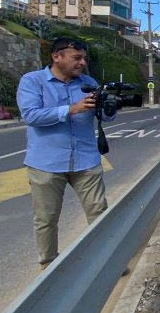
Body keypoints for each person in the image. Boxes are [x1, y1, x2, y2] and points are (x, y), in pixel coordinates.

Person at [16, 38, 114, 270]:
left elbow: (104, 118)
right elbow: (31, 116)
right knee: (46, 219)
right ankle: (48, 265)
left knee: (99, 211)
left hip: (86, 159)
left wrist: (109, 108)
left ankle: (108, 260)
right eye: (76, 58)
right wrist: (71, 109)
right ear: (56, 57)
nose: (82, 63)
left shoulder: (88, 82)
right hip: (46, 162)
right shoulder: (33, 81)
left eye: (84, 58)